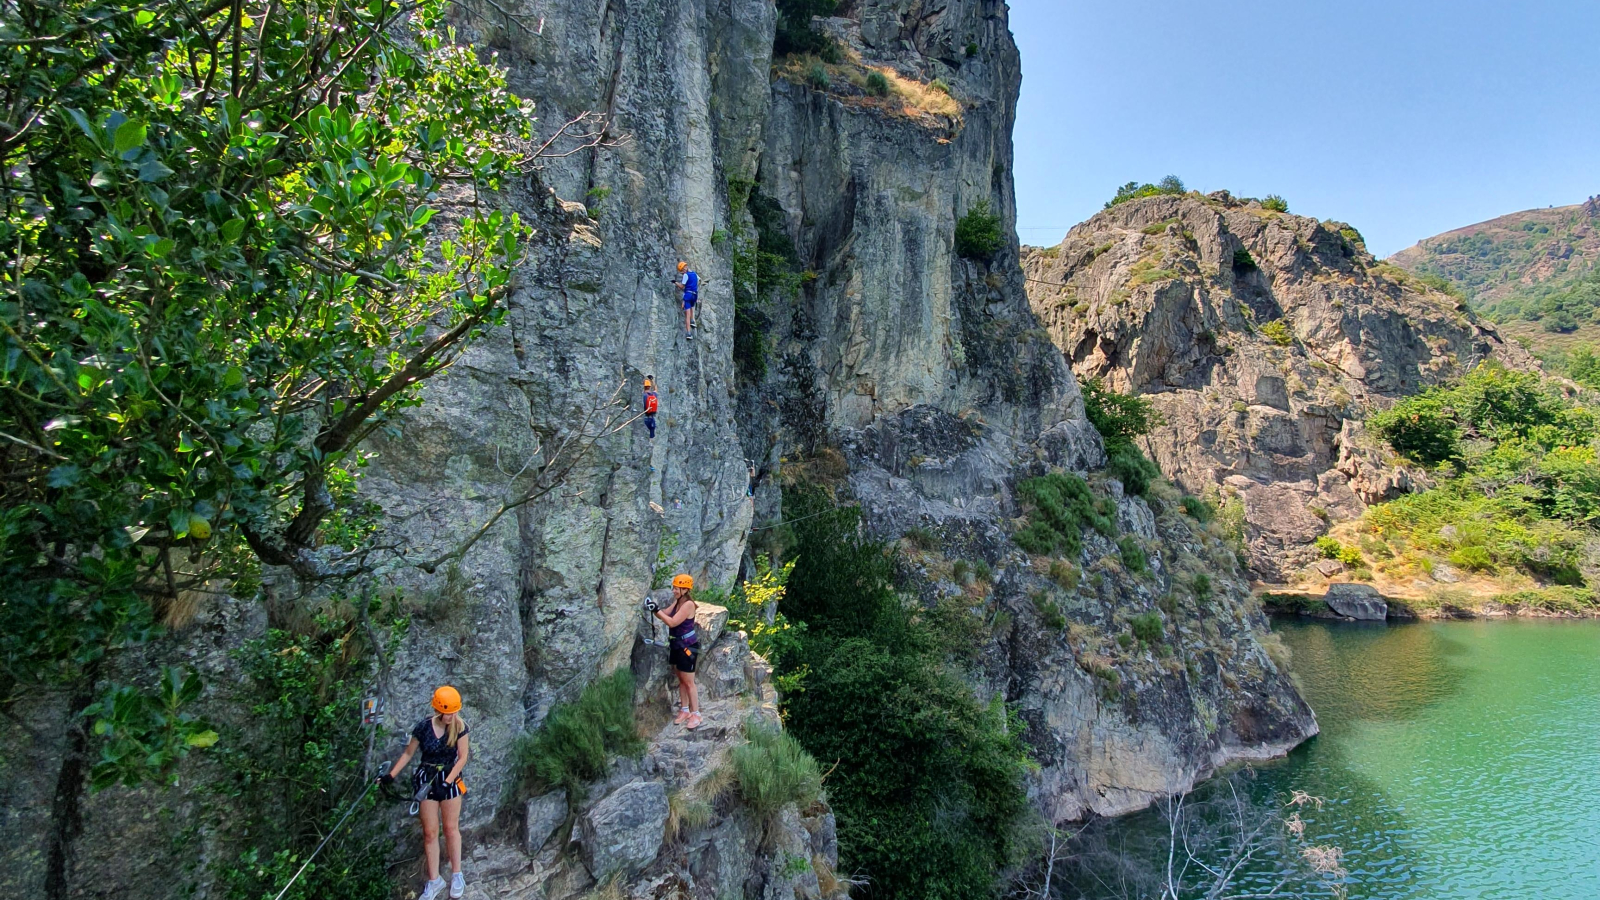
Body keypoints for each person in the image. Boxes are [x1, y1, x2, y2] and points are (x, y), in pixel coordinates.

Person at [379, 686, 472, 900]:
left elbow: (463, 757)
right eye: (447, 712)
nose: (450, 716)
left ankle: (457, 874)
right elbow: (408, 753)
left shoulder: (460, 727)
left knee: (450, 828)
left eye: (453, 712)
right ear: (438, 710)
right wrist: (391, 775)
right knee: (430, 833)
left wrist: (447, 783)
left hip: (449, 778)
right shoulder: (423, 727)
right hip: (426, 780)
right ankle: (434, 880)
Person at [652, 574, 702, 728]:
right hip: (677, 645)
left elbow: (672, 623)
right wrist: (654, 609)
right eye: (673, 587)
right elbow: (665, 615)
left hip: (687, 647)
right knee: (681, 679)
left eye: (676, 588)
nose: (673, 590)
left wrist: (657, 611)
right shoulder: (678, 602)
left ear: (685, 589)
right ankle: (685, 709)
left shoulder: (688, 605)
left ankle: (696, 714)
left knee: (689, 682)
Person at [675, 261, 699, 340]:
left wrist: (675, 282)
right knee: (692, 306)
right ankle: (693, 321)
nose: (682, 272)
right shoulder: (695, 274)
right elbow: (698, 281)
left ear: (684, 269)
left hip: (688, 295)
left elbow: (682, 286)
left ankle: (688, 333)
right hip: (695, 295)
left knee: (687, 314)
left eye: (682, 271)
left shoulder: (686, 275)